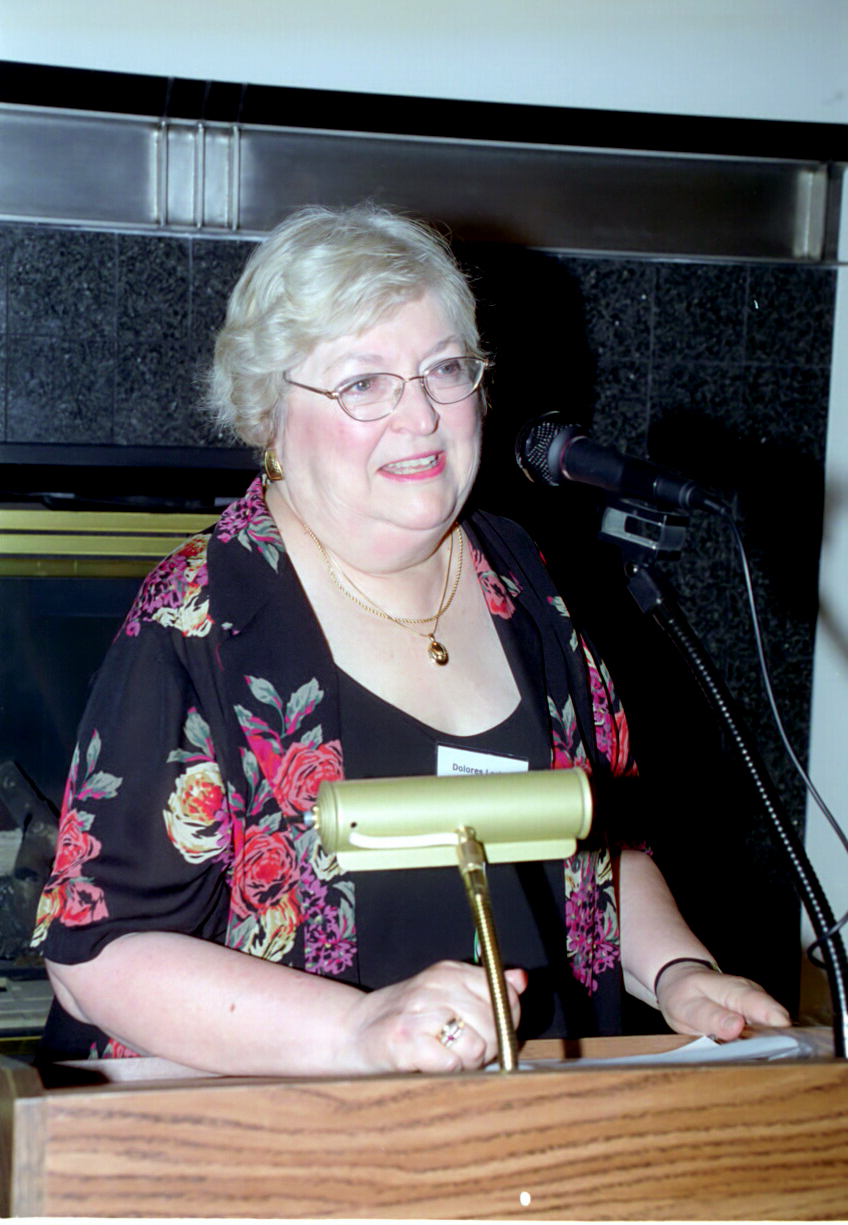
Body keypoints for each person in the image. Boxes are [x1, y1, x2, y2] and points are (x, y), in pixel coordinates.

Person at [32, 205, 790, 1075]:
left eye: (445, 370)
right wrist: (357, 1032)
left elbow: (597, 840)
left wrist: (678, 972)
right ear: (268, 415)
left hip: (527, 1124)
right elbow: (93, 959)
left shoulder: (523, 575)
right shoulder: (203, 617)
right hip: (276, 1152)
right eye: (364, 383)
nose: (421, 416)